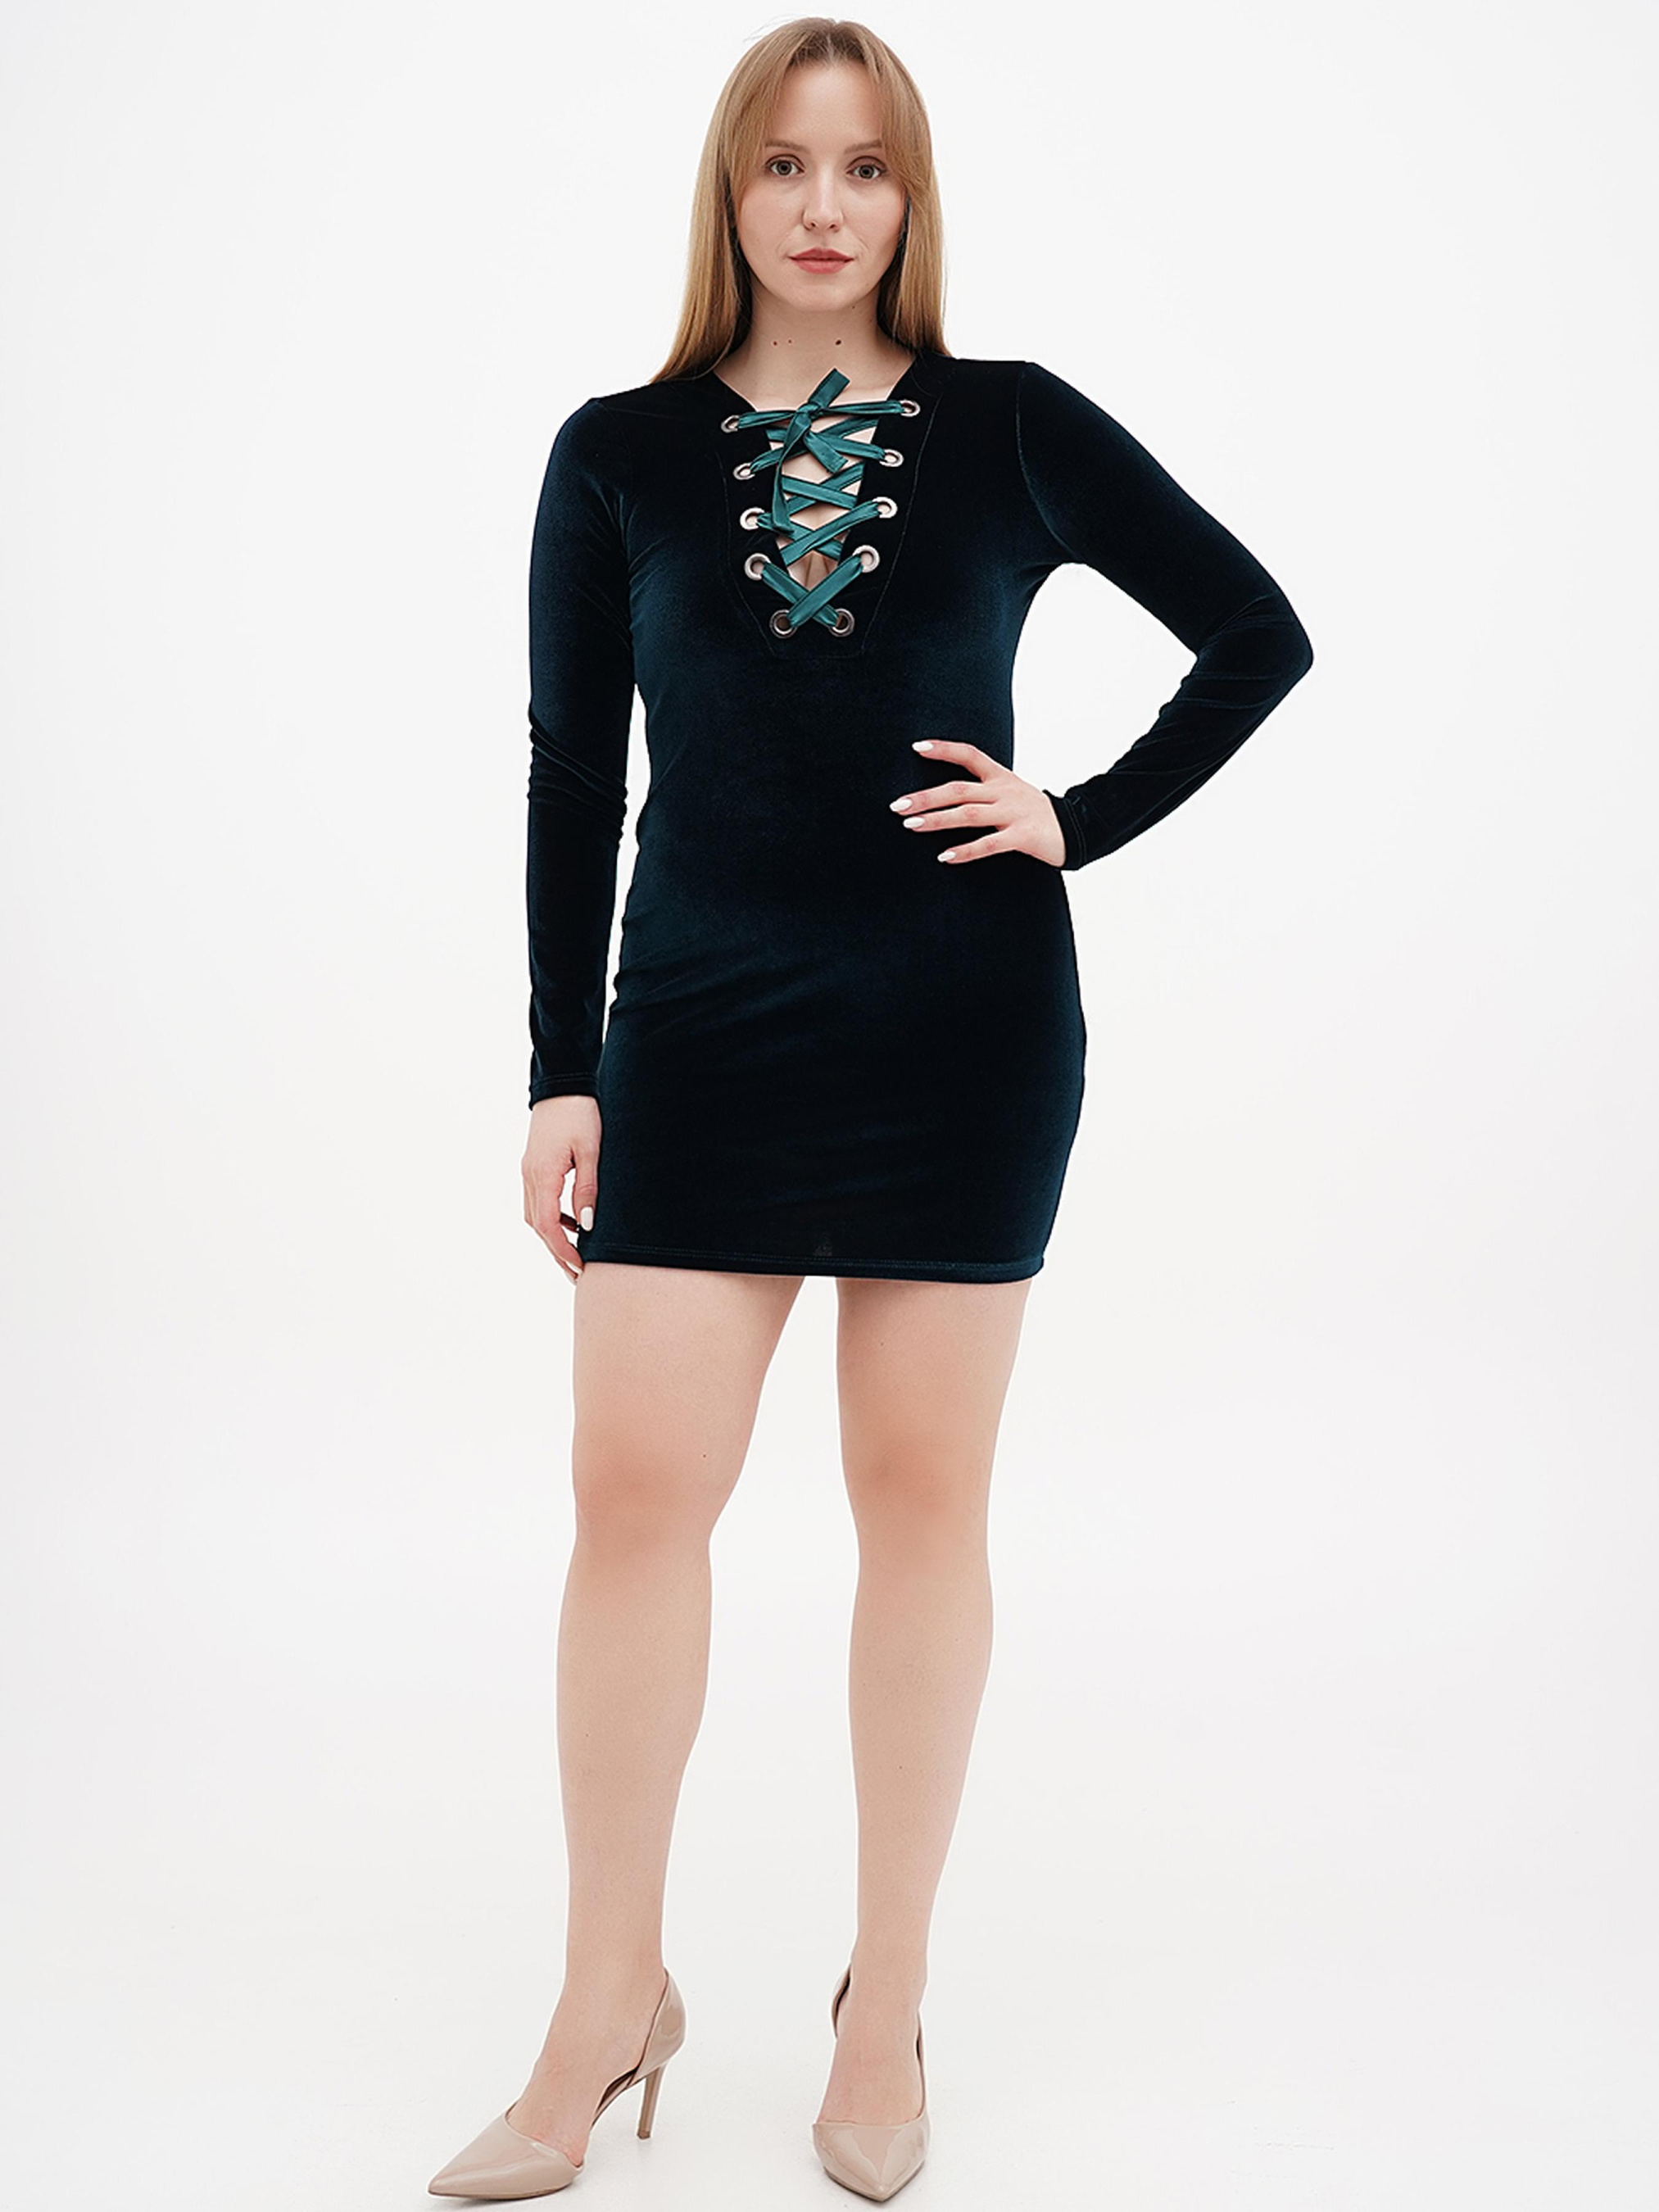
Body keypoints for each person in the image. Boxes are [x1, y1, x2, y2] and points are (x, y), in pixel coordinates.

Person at [430, 17, 1312, 2205]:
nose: (822, 204)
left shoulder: (1012, 424)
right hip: (697, 1030)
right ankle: (605, 1999)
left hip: (958, 1027)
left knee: (921, 1502)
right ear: (725, 192)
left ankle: (885, 1995)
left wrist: (1078, 812)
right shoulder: (617, 451)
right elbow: (573, 771)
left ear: (911, 196)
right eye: (781, 164)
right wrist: (560, 1063)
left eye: (864, 166)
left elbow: (1255, 631)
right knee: (634, 1495)